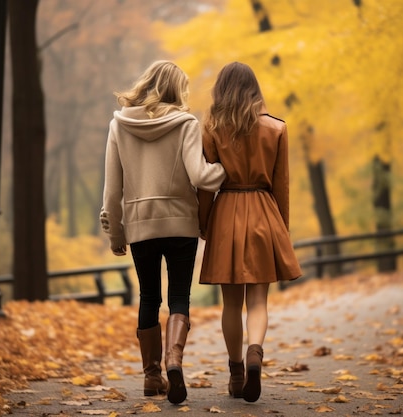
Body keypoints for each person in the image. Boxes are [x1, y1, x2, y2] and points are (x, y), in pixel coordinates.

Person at [100, 60, 226, 404]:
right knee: (179, 297)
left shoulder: (119, 125)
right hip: (181, 222)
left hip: (141, 225)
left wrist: (116, 235)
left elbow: (113, 190)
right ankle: (174, 359)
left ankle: (152, 376)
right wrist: (226, 172)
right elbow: (201, 177)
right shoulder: (186, 123)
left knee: (148, 297)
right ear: (176, 89)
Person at [198, 62, 302, 403]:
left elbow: (205, 186)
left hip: (226, 213)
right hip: (263, 213)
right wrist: (280, 232)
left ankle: (237, 371)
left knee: (231, 304)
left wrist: (203, 222)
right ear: (255, 90)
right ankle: (256, 352)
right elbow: (282, 185)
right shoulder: (276, 129)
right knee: (258, 300)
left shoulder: (212, 129)